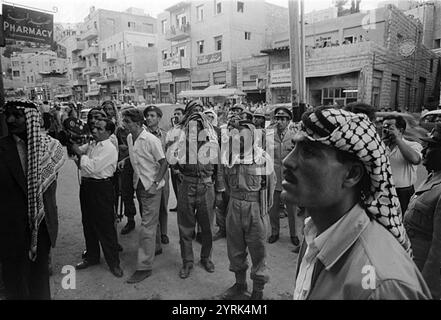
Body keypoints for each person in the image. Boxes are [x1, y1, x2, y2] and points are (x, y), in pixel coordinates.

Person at [283, 106, 431, 299]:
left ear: (352, 174)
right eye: (294, 148)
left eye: (309, 152)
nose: (288, 161)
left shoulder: (382, 285)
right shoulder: (315, 233)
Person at [0, 101, 65, 299]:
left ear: (31, 118)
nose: (10, 120)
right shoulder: (2, 148)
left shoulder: (51, 148)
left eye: (17, 115)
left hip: (41, 227)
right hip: (9, 231)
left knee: (39, 283)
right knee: (14, 283)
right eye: (8, 114)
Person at [167, 100, 225, 279]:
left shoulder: (213, 134)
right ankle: (187, 262)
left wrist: (219, 189)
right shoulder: (179, 134)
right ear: (187, 114)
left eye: (201, 110)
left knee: (207, 226)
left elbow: (219, 165)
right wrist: (176, 168)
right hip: (187, 184)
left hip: (207, 185)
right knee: (185, 227)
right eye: (194, 111)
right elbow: (170, 156)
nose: (199, 114)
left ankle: (206, 258)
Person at [220, 119, 275, 300]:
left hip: (256, 207)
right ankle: (240, 284)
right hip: (234, 206)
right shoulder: (229, 157)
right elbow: (227, 184)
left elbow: (270, 185)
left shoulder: (262, 157)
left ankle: (258, 291)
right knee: (235, 249)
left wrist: (263, 210)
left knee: (258, 250)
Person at [71, 118, 123, 278]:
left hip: (101, 187)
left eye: (100, 129)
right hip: (87, 187)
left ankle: (114, 263)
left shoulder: (109, 148)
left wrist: (81, 155)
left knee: (106, 226)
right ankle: (92, 257)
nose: (94, 131)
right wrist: (78, 150)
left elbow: (92, 167)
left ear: (108, 132)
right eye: (94, 128)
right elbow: (77, 155)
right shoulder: (93, 144)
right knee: (88, 223)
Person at [121, 108, 169, 283]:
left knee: (147, 227)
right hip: (139, 186)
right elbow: (137, 158)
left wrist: (155, 184)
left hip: (151, 187)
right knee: (150, 222)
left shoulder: (151, 139)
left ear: (138, 123)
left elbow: (164, 163)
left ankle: (144, 267)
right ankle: (155, 247)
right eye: (123, 121)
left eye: (127, 121)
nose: (123, 124)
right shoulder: (129, 138)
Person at [404, 123, 441, 299]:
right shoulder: (433, 176)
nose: (424, 152)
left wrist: (428, 291)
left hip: (422, 277)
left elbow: (438, 252)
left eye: (431, 147)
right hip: (410, 266)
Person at [267, 106, 297, 244]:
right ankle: (274, 232)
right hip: (273, 178)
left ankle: (294, 234)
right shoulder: (268, 135)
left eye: (283, 119)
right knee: (273, 208)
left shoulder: (294, 136)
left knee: (291, 208)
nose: (279, 121)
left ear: (289, 120)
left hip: (289, 179)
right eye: (277, 118)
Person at [382, 115, 422, 215]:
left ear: (400, 130)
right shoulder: (380, 146)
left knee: (403, 221)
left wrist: (398, 139)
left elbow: (415, 159)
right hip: (383, 191)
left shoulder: (413, 145)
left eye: (390, 127)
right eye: (384, 127)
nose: (386, 130)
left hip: (403, 193)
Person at [144, 105, 170, 245]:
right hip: (148, 174)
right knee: (150, 206)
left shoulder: (166, 135)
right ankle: (155, 234)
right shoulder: (142, 135)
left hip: (163, 173)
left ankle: (164, 232)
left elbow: (169, 155)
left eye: (152, 116)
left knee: (163, 204)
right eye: (147, 116)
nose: (149, 118)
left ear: (159, 118)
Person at [169, 107, 185, 212]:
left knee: (182, 186)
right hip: (173, 161)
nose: (176, 116)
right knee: (175, 185)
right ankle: (179, 203)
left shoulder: (186, 129)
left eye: (178, 114)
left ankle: (184, 205)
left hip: (182, 163)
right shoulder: (173, 129)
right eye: (175, 114)